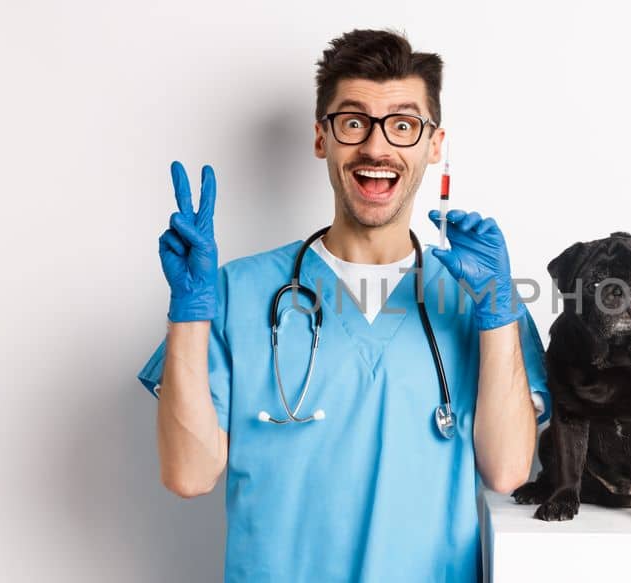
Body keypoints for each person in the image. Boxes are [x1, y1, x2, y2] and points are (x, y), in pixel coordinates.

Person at [135, 29, 550, 583]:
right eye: (354, 123)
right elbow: (188, 475)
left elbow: (507, 471)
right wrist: (189, 310)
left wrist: (498, 312)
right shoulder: (235, 291)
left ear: (434, 144)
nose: (377, 148)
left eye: (403, 125)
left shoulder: (479, 296)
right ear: (321, 138)